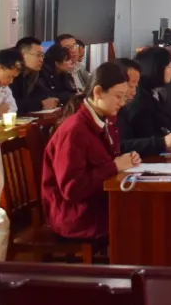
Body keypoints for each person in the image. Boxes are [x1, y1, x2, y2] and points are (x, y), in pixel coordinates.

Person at [40, 63, 142, 241]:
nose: (121, 103)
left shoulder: (103, 120)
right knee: (141, 218)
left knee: (146, 210)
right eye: (118, 96)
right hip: (76, 215)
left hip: (95, 203)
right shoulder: (75, 130)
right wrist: (114, 166)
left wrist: (125, 161)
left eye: (124, 97)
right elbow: (71, 190)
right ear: (98, 92)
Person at [116, 48, 171, 156]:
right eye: (168, 65)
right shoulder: (138, 101)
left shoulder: (155, 93)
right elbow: (136, 140)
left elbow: (165, 126)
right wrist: (162, 142)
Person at [10, 37, 59, 113]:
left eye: (42, 56)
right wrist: (40, 104)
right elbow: (11, 105)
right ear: (22, 55)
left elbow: (43, 95)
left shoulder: (35, 74)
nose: (41, 60)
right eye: (38, 55)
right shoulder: (10, 74)